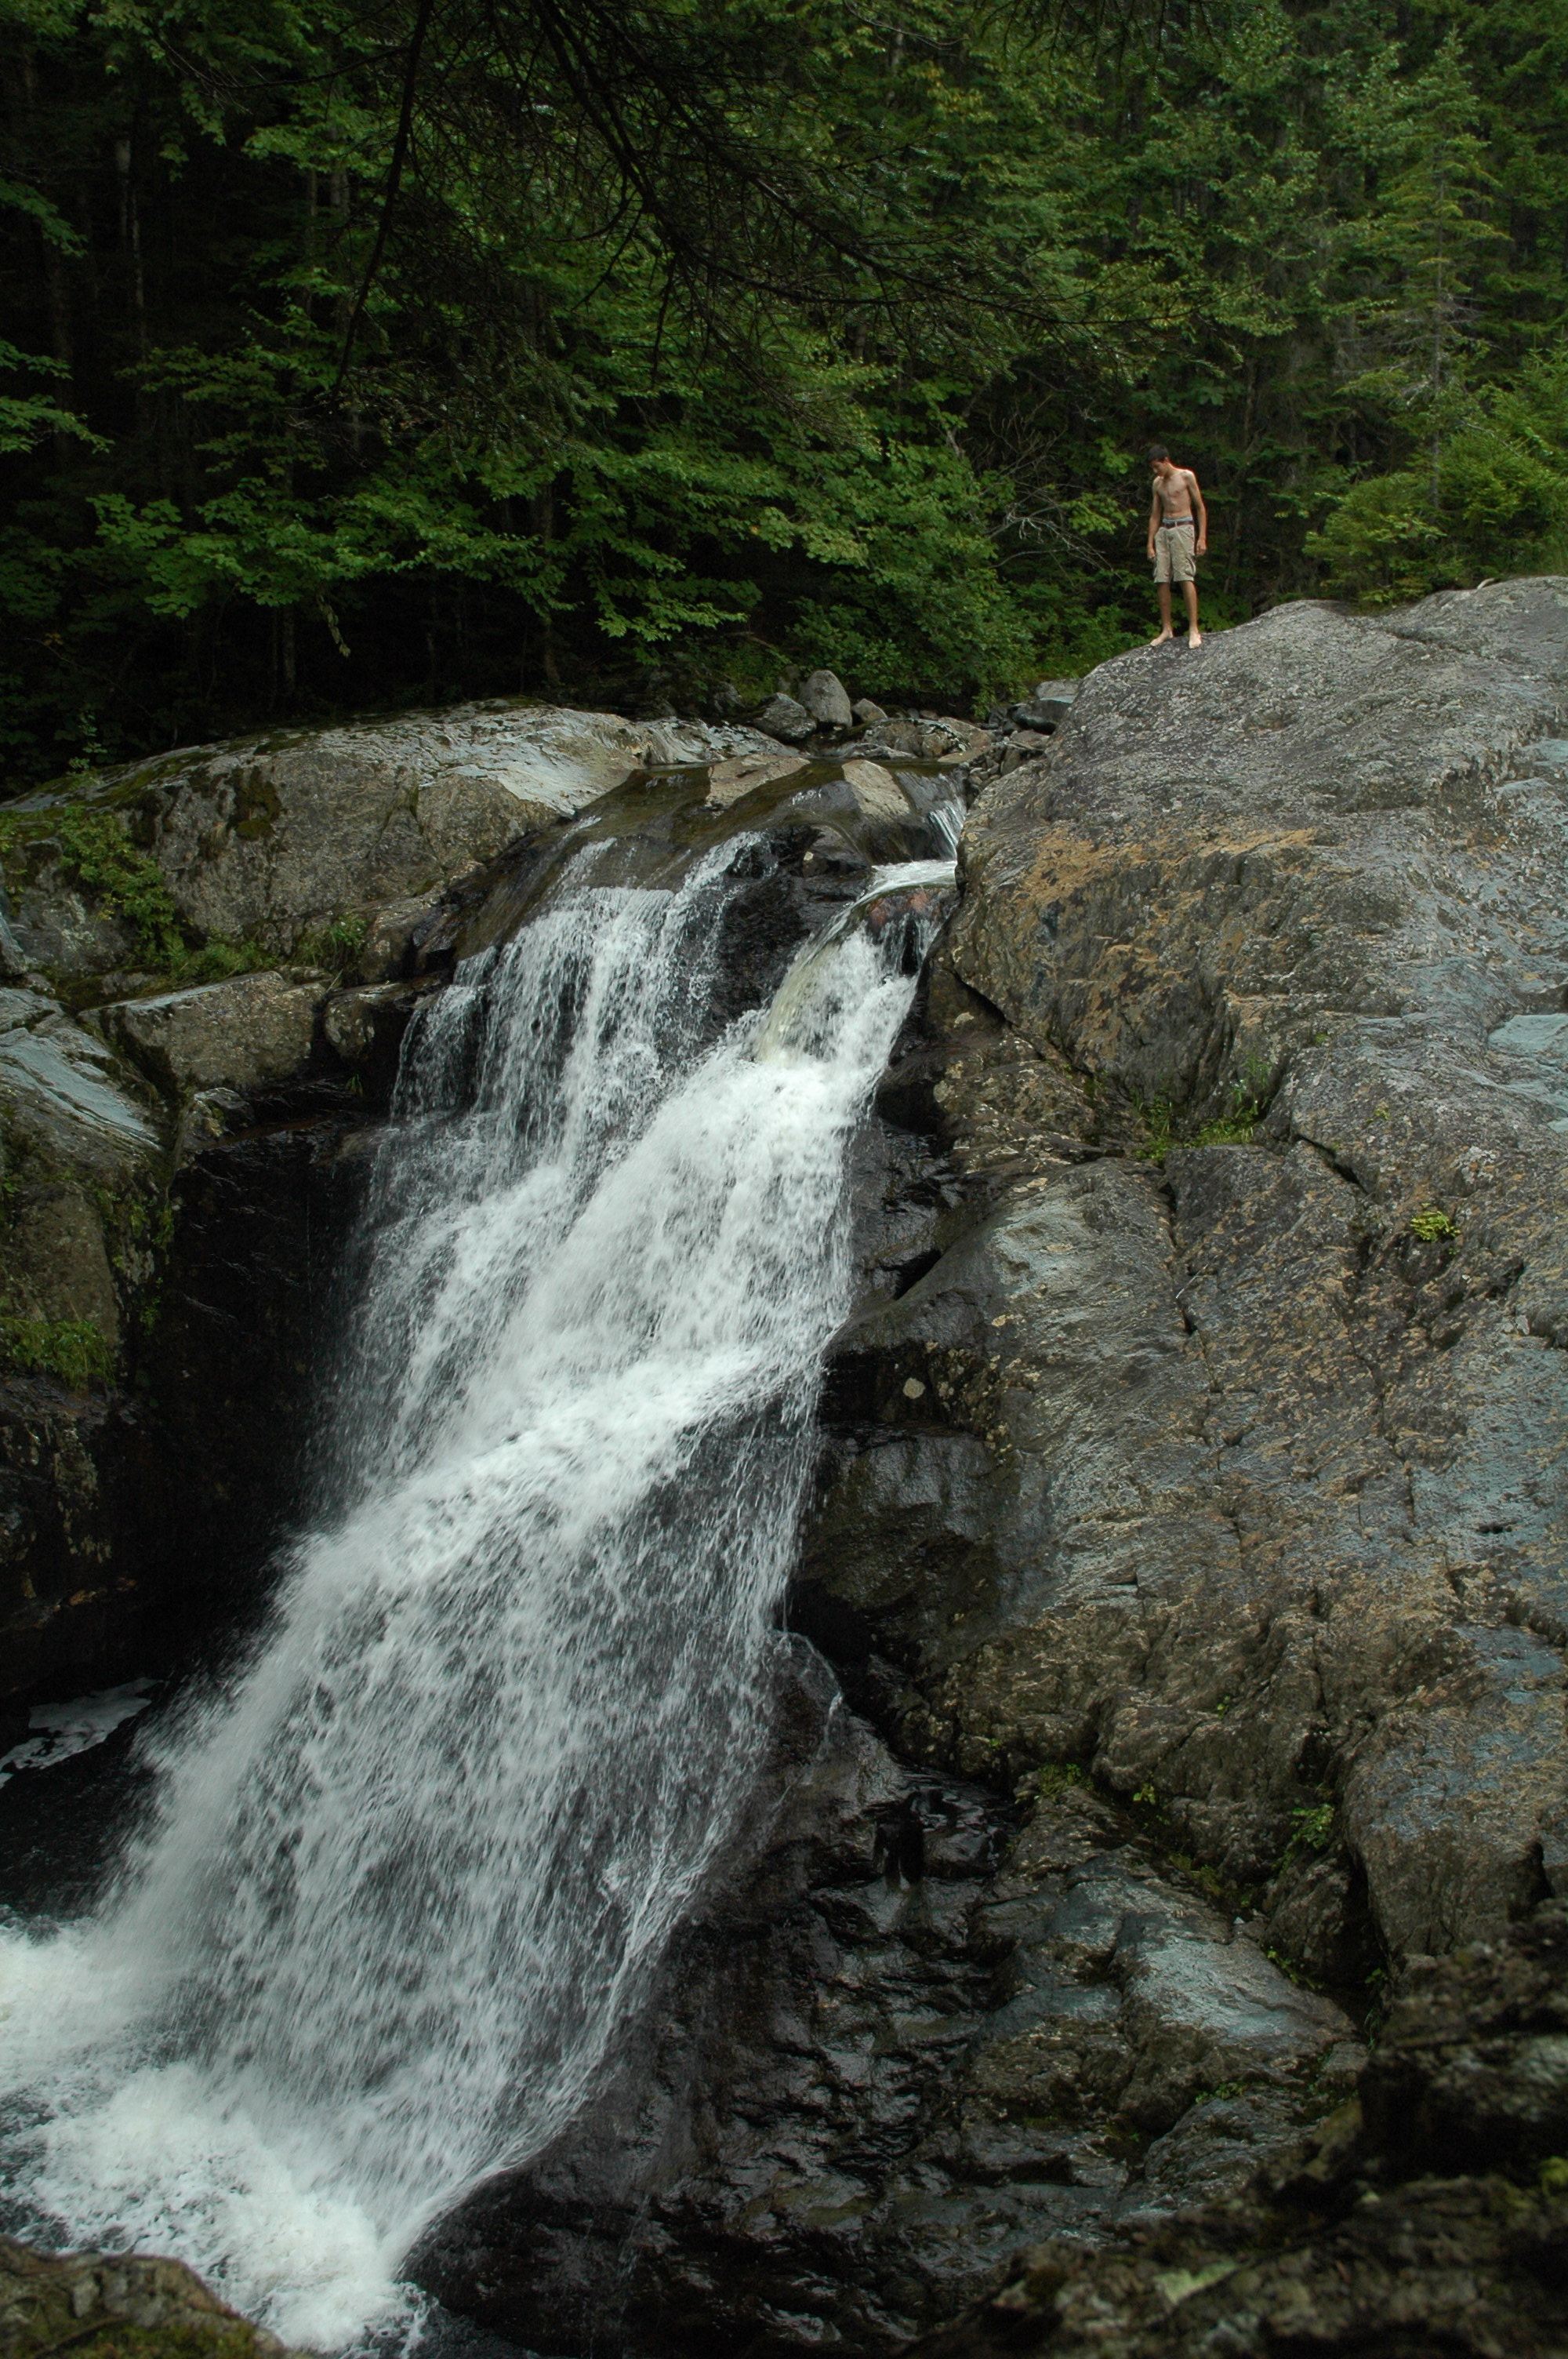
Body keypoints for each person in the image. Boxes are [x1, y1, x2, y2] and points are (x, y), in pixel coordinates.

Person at [1145, 445, 1207, 648]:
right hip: (1164, 529)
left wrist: (1201, 538)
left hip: (1184, 527)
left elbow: (1200, 507)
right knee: (1162, 579)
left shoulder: (1186, 477)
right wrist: (1150, 543)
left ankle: (1193, 629)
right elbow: (1155, 515)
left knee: (1184, 576)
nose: (1156, 472)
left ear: (1165, 460)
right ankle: (1166, 629)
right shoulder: (1157, 484)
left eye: (1157, 467)